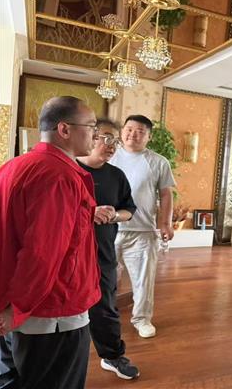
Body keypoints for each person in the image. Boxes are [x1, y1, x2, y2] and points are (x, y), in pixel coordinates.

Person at [0, 96, 101, 388]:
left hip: (16, 304)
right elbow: (42, 254)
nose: (95, 135)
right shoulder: (58, 175)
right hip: (52, 312)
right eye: (91, 127)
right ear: (64, 129)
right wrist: (19, 307)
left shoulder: (13, 166)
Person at [77, 118, 140, 380]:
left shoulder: (116, 176)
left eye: (115, 140)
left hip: (102, 253)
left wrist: (114, 215)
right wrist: (89, 213)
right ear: (90, 136)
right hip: (68, 255)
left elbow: (129, 210)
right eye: (106, 137)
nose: (112, 145)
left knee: (106, 307)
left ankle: (113, 356)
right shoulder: (69, 170)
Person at [110, 114, 176, 338]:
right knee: (103, 278)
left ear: (149, 136)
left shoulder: (158, 162)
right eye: (129, 129)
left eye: (140, 131)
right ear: (122, 131)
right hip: (108, 230)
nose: (133, 134)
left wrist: (165, 223)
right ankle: (100, 316)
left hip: (142, 231)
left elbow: (166, 194)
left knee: (143, 280)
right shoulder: (109, 156)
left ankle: (142, 319)